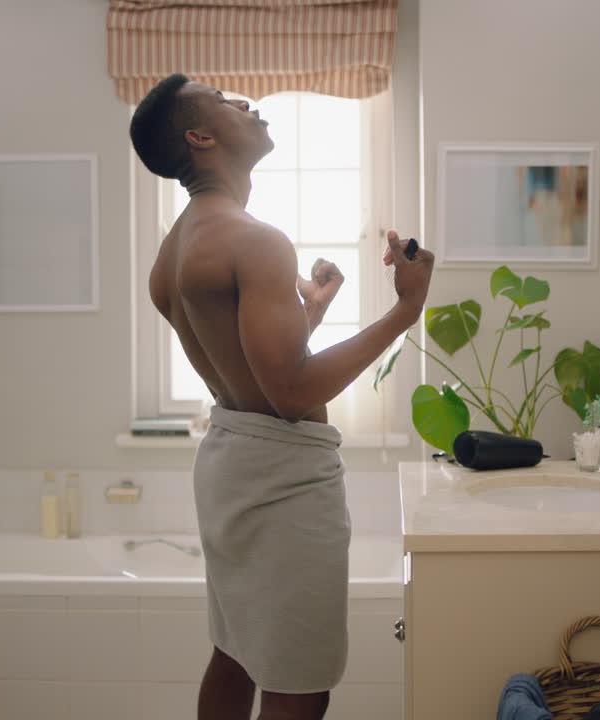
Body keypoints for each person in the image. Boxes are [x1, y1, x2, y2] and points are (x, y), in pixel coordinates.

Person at [130, 73, 434, 720]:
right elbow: (292, 395)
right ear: (201, 135)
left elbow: (241, 370)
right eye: (225, 101)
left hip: (231, 462)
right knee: (300, 680)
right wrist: (404, 310)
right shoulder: (254, 240)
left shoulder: (174, 248)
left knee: (236, 651)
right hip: (283, 478)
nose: (250, 104)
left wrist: (311, 313)